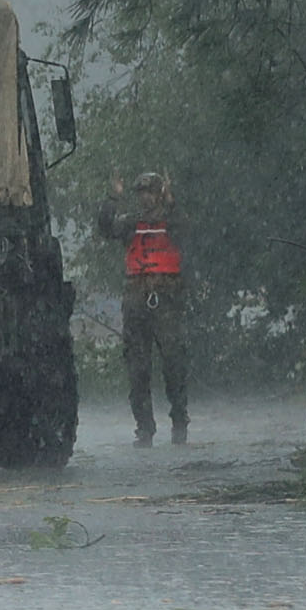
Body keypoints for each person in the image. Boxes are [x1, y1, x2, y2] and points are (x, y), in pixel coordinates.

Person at [94, 171, 188, 446]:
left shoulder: (172, 221)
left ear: (159, 193)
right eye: (141, 192)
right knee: (137, 368)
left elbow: (183, 230)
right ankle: (144, 428)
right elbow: (105, 228)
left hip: (167, 299)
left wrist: (171, 202)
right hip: (136, 300)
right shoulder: (131, 224)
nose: (145, 197)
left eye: (150, 191)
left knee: (174, 363)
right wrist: (112, 198)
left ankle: (179, 420)